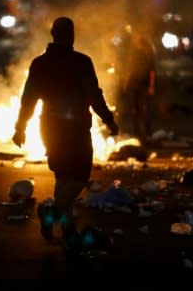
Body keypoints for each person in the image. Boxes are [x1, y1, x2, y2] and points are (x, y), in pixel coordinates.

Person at [12, 16, 119, 250]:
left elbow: (28, 98)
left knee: (63, 175)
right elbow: (94, 95)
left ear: (52, 34)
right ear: (71, 36)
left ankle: (68, 228)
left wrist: (20, 127)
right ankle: (52, 212)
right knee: (79, 176)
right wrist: (108, 120)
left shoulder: (39, 63)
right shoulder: (81, 62)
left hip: (49, 127)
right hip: (75, 128)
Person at [116, 25, 156, 141]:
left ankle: (148, 133)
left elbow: (152, 70)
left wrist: (151, 86)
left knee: (144, 109)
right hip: (134, 83)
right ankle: (137, 133)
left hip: (144, 83)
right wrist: (126, 82)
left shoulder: (147, 52)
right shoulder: (133, 52)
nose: (135, 38)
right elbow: (129, 69)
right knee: (135, 110)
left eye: (137, 37)